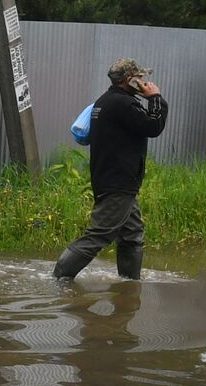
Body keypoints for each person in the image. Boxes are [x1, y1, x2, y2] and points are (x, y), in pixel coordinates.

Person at [54, 58, 169, 281]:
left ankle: (128, 283)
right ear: (130, 80)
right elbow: (153, 126)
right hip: (118, 181)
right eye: (140, 77)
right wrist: (155, 98)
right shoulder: (122, 104)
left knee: (132, 235)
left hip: (114, 179)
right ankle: (59, 277)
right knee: (99, 234)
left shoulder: (106, 101)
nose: (144, 81)